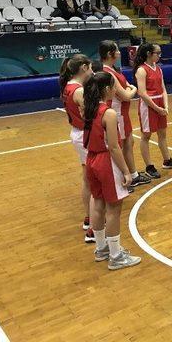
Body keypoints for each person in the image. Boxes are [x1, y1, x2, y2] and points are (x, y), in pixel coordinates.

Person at [83, 71, 142, 270]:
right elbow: (114, 146)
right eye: (113, 87)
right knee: (114, 209)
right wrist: (126, 171)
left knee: (98, 204)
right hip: (106, 161)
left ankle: (101, 248)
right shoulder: (108, 113)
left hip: (91, 158)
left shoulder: (87, 109)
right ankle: (116, 256)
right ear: (107, 89)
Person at [100, 41, 152, 188]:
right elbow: (126, 95)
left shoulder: (113, 69)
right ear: (110, 54)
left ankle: (133, 175)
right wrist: (134, 89)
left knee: (129, 142)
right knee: (119, 145)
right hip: (116, 114)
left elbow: (126, 87)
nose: (119, 52)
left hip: (122, 113)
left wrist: (130, 88)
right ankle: (123, 178)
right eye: (116, 50)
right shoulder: (108, 72)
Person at [59, 54, 96, 243]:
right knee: (93, 180)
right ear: (83, 67)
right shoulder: (79, 90)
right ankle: (93, 228)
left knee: (87, 178)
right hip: (85, 136)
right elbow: (93, 115)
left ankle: (89, 218)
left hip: (78, 133)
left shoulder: (68, 86)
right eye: (90, 67)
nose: (92, 71)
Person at [134, 43, 172, 179]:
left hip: (160, 102)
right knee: (146, 136)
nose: (160, 55)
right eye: (158, 53)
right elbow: (142, 93)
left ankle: (167, 160)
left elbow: (163, 89)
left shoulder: (158, 69)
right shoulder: (141, 70)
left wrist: (165, 106)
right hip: (148, 105)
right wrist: (157, 108)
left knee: (162, 134)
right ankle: (149, 166)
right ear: (149, 53)